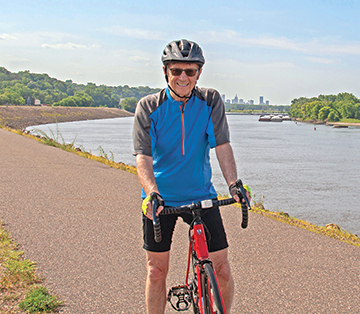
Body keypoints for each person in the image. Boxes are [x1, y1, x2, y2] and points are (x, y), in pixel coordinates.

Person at [133, 39, 248, 314]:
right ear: (165, 73)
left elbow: (221, 145)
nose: (183, 77)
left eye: (190, 71)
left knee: (220, 269)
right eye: (176, 71)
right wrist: (152, 192)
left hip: (201, 195)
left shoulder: (210, 101)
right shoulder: (148, 107)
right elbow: (143, 157)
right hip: (162, 199)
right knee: (156, 270)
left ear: (199, 73)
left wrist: (234, 184)